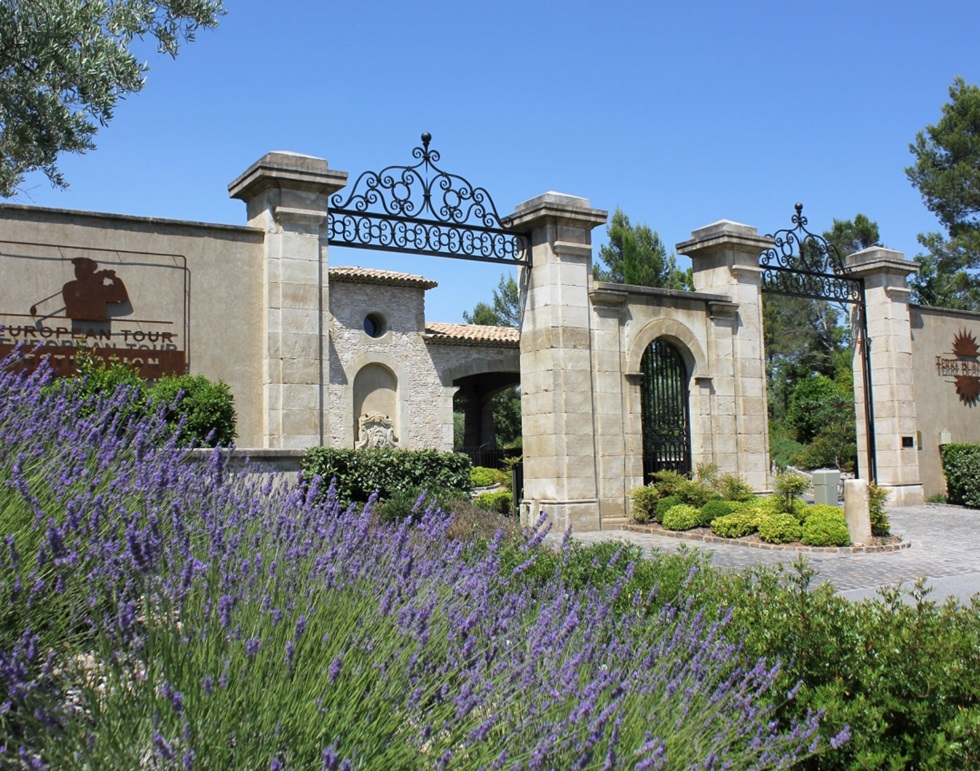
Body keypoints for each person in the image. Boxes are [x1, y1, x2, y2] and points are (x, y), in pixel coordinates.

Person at [62, 258, 129, 321]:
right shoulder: (69, 286)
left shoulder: (98, 288)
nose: (77, 271)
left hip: (96, 317)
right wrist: (113, 278)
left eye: (80, 269)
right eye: (77, 269)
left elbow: (122, 296)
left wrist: (114, 279)